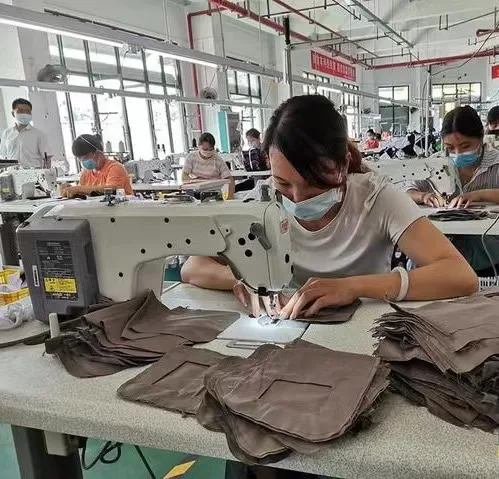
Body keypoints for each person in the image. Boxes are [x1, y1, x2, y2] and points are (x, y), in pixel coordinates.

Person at [181, 95, 477, 320]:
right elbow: (193, 267)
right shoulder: (262, 202)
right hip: (291, 328)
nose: (297, 198)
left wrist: (353, 287)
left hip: (365, 334)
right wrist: (246, 282)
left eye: (314, 185)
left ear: (344, 165)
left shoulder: (377, 198)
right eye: (283, 183)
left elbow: (460, 276)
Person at [403, 105, 499, 275]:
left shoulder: (496, 163)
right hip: (437, 260)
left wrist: (477, 195)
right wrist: (422, 196)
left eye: (465, 146)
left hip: (487, 259)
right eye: (449, 147)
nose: (457, 153)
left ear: (481, 137)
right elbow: (406, 190)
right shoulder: (435, 164)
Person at [62, 134, 133, 199]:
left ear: (98, 152)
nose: (83, 161)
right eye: (80, 159)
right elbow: (83, 193)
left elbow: (112, 189)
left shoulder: (115, 168)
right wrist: (70, 191)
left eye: (85, 157)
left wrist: (78, 189)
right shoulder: (86, 174)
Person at [182, 132, 235, 198]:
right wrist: (196, 183)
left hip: (213, 192)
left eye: (211, 149)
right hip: (194, 191)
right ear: (199, 146)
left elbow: (230, 179)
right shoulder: (191, 157)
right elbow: (184, 176)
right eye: (205, 149)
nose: (208, 152)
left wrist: (229, 197)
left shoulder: (218, 160)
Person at [0, 98, 49, 168]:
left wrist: (47, 173)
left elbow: (47, 158)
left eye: (28, 111)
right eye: (20, 111)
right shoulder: (7, 133)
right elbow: (3, 155)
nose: (24, 114)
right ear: (13, 113)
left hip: (34, 172)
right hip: (12, 172)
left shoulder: (39, 134)